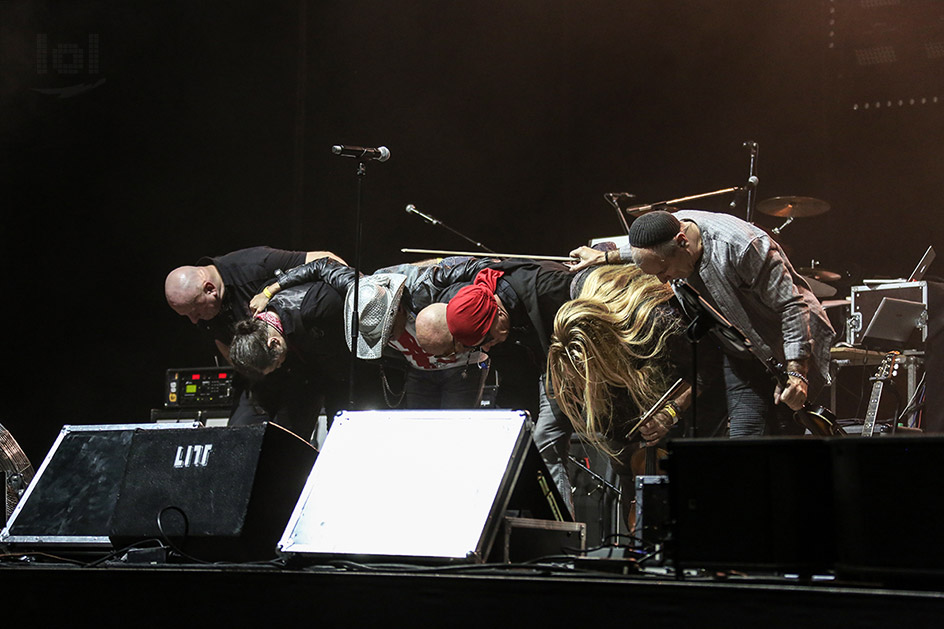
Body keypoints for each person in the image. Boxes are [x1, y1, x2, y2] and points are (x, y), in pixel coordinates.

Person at [570, 209, 834, 436]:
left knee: (786, 436)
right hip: (745, 354)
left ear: (683, 242)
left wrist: (797, 372)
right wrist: (603, 257)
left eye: (664, 271)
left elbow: (792, 306)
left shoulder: (742, 247)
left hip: (791, 343)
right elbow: (647, 254)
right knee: (746, 439)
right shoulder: (668, 237)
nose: (663, 281)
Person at [414, 260, 583, 515]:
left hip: (564, 364)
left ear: (499, 314)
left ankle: (560, 535)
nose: (488, 348)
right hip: (527, 367)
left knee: (546, 442)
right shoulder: (463, 303)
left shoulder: (550, 287)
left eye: (488, 341)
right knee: (508, 441)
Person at [546, 264, 694, 525]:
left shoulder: (658, 321)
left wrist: (671, 412)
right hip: (627, 402)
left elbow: (705, 373)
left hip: (675, 397)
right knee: (633, 488)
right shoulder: (577, 342)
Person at [249, 256, 495, 409]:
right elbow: (322, 266)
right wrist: (270, 291)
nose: (386, 341)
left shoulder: (426, 285)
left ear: (395, 308)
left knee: (454, 435)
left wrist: (482, 333)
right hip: (419, 372)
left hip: (461, 368)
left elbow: (482, 269)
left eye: (387, 333)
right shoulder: (361, 292)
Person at [164, 246, 345, 426]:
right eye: (187, 315)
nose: (194, 320)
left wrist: (271, 290)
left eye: (195, 310)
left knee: (290, 444)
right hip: (259, 376)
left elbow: (328, 261)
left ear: (210, 288)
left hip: (305, 367)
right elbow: (220, 341)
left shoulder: (254, 265)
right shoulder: (202, 308)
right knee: (240, 441)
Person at [228, 279, 352, 439]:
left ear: (274, 343)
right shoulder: (263, 325)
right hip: (320, 378)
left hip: (351, 373)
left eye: (277, 363)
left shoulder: (317, 307)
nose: (280, 366)